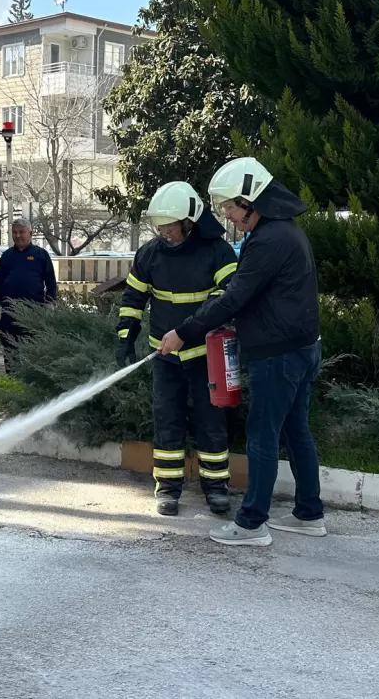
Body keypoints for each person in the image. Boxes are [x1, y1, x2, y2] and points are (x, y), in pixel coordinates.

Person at [159, 157, 324, 547]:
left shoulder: (268, 240)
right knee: (296, 430)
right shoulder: (284, 232)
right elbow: (265, 296)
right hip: (302, 348)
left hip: (278, 356)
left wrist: (184, 331)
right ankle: (309, 513)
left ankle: (251, 524)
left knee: (262, 436)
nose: (227, 215)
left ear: (252, 200)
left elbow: (235, 296)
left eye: (230, 206)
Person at [116, 181, 239, 517]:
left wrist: (189, 331)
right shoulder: (149, 254)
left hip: (205, 356)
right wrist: (126, 335)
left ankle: (215, 489)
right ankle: (168, 489)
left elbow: (228, 296)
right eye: (159, 226)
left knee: (210, 421)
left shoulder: (217, 251)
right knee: (167, 420)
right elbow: (133, 299)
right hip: (165, 356)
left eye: (170, 225)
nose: (164, 232)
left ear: (189, 221)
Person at [0, 217, 57, 373]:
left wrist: (50, 303)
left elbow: (51, 282)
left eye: (22, 232)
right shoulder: (6, 256)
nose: (18, 236)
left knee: (32, 348)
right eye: (15, 233)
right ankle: (12, 381)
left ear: (30, 233)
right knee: (10, 349)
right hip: (9, 312)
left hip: (34, 310)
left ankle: (30, 379)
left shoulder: (41, 255)